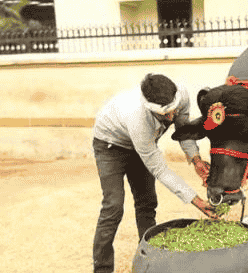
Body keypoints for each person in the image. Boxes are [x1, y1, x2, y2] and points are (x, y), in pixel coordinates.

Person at [91, 73, 216, 273]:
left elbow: (183, 131)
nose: (169, 118)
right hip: (110, 146)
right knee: (113, 207)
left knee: (147, 202)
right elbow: (160, 170)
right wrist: (197, 201)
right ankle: (103, 269)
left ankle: (148, 263)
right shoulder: (137, 117)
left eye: (172, 111)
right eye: (163, 115)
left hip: (140, 143)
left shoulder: (181, 95)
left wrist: (196, 160)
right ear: (150, 107)